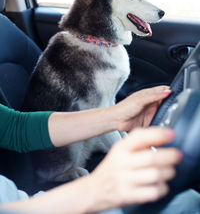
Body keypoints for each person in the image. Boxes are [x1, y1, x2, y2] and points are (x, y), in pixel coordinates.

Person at [0, 86, 199, 214]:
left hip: (28, 203)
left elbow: (15, 129)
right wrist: (92, 190)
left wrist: (117, 116)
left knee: (187, 202)